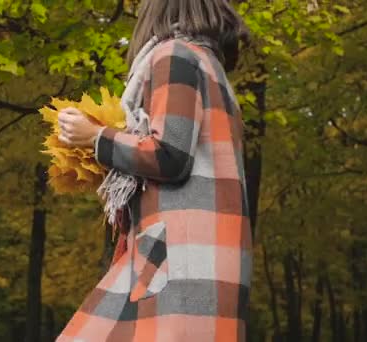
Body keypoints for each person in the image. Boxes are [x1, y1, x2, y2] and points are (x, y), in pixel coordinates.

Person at [55, 0, 252, 340]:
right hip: (200, 251)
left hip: (180, 253)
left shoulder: (174, 55)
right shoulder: (209, 65)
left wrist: (95, 137)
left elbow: (170, 155)